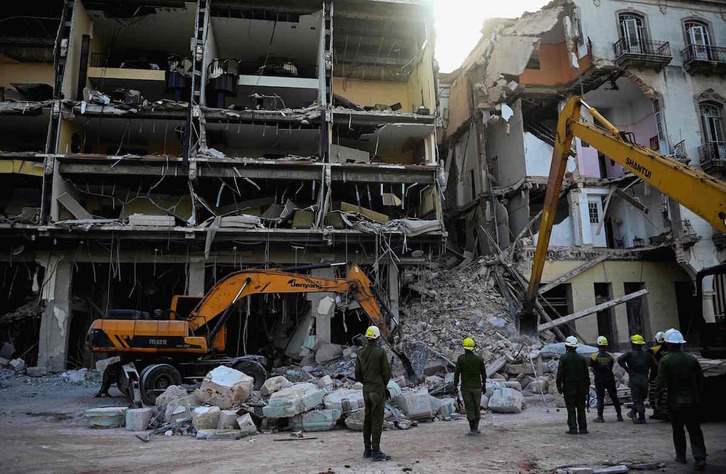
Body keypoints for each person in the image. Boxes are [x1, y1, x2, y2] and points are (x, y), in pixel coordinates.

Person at [656, 329, 707, 470]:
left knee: (678, 430)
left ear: (669, 344)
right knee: (695, 430)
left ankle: (681, 456)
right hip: (693, 401)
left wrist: (657, 398)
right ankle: (700, 457)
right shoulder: (692, 359)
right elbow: (700, 380)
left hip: (675, 402)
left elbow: (660, 382)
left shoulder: (665, 360)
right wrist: (700, 397)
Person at [354, 325, 392, 462]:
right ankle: (376, 451)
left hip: (366, 390)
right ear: (376, 338)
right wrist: (383, 386)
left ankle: (367, 449)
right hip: (377, 390)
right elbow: (386, 373)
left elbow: (357, 374)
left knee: (367, 419)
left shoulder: (360, 353)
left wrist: (366, 382)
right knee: (377, 420)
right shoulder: (380, 352)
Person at [618, 334, 658, 424]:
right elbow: (655, 366)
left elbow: (620, 360)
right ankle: (638, 415)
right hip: (644, 379)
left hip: (634, 378)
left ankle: (637, 415)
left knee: (637, 399)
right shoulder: (648, 355)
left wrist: (627, 370)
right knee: (641, 398)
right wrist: (651, 376)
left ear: (633, 344)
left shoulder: (630, 354)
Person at [453, 337, 487, 436]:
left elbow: (456, 373)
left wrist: (455, 386)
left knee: (469, 407)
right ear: (473, 347)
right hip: (477, 387)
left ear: (464, 348)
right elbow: (483, 373)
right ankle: (476, 428)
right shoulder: (479, 359)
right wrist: (484, 385)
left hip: (466, 388)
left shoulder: (461, 359)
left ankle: (472, 429)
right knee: (477, 406)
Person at [557, 336, 590, 434]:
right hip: (581, 387)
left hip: (569, 387)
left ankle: (573, 428)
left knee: (571, 408)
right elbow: (586, 375)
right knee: (581, 408)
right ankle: (583, 428)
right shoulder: (582, 358)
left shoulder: (564, 358)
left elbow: (560, 373)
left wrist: (559, 385)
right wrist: (587, 387)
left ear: (566, 346)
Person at [590, 336, 623, 423]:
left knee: (600, 397)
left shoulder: (594, 356)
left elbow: (592, 368)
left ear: (598, 345)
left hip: (599, 378)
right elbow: (611, 366)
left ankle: (600, 417)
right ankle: (619, 416)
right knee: (614, 397)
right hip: (609, 377)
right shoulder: (611, 356)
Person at [648, 331, 669, 420]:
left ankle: (657, 411)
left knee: (655, 394)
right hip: (668, 373)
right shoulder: (669, 348)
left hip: (656, 374)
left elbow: (647, 354)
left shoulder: (654, 349)